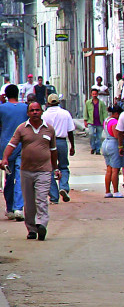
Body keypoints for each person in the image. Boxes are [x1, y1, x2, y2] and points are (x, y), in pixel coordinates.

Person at [0, 101, 60, 240]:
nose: (35, 112)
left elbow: (53, 150)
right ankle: (31, 229)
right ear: (27, 113)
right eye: (32, 110)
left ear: (42, 112)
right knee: (29, 202)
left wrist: (55, 167)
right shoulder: (22, 128)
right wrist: (5, 158)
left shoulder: (49, 129)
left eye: (37, 110)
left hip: (44, 171)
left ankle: (42, 224)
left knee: (41, 199)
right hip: (26, 171)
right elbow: (12, 144)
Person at [0, 84, 27, 221]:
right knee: (20, 177)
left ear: (5, 95)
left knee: (9, 178)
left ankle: (10, 208)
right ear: (18, 94)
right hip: (22, 146)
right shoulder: (25, 108)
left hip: (6, 147)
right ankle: (18, 208)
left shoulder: (1, 108)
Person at [42, 94, 75, 204]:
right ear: (59, 102)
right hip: (61, 141)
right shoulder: (65, 114)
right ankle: (63, 187)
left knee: (49, 169)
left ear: (48, 103)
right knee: (64, 166)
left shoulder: (45, 115)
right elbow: (70, 131)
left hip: (48, 142)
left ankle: (54, 196)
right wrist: (72, 146)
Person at [101, 105, 124, 198]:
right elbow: (116, 134)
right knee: (115, 169)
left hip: (106, 143)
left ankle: (107, 191)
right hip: (113, 144)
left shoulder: (107, 120)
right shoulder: (114, 122)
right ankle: (115, 191)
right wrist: (121, 145)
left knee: (109, 169)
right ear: (117, 114)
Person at [84, 88, 108, 155]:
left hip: (99, 122)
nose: (94, 95)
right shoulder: (88, 103)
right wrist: (85, 120)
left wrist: (105, 121)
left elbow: (104, 112)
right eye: (93, 94)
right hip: (91, 122)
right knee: (91, 134)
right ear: (91, 94)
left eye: (95, 94)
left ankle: (97, 150)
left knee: (99, 137)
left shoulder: (101, 103)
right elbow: (85, 112)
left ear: (97, 94)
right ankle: (93, 147)